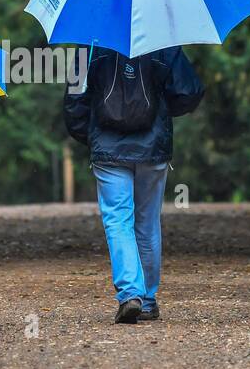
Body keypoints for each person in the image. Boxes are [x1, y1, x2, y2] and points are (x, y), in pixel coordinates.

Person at [64, 46, 204, 323]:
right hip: (153, 149)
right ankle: (149, 300)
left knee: (118, 220)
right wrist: (160, 110)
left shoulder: (88, 46)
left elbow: (74, 102)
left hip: (108, 149)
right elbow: (189, 91)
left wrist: (92, 137)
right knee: (147, 222)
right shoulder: (163, 42)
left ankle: (130, 294)